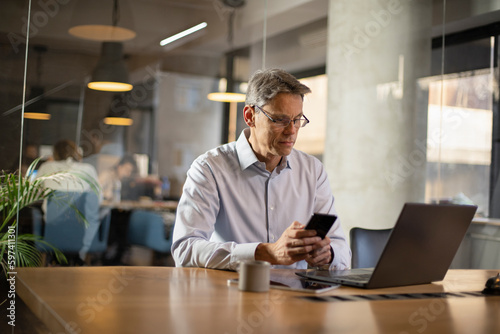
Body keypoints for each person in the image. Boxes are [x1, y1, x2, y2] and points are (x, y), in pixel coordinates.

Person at [171, 68, 351, 270]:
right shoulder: (209, 169)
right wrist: (265, 253)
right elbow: (185, 249)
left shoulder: (313, 170)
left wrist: (327, 255)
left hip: (297, 298)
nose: (291, 130)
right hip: (233, 294)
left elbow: (341, 248)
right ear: (250, 116)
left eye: (297, 120)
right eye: (280, 120)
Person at [35, 139, 102, 263]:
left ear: (55, 153)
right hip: (81, 231)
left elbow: (32, 193)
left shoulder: (47, 167)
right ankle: (78, 261)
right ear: (76, 153)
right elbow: (98, 198)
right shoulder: (88, 169)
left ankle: (52, 262)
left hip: (53, 230)